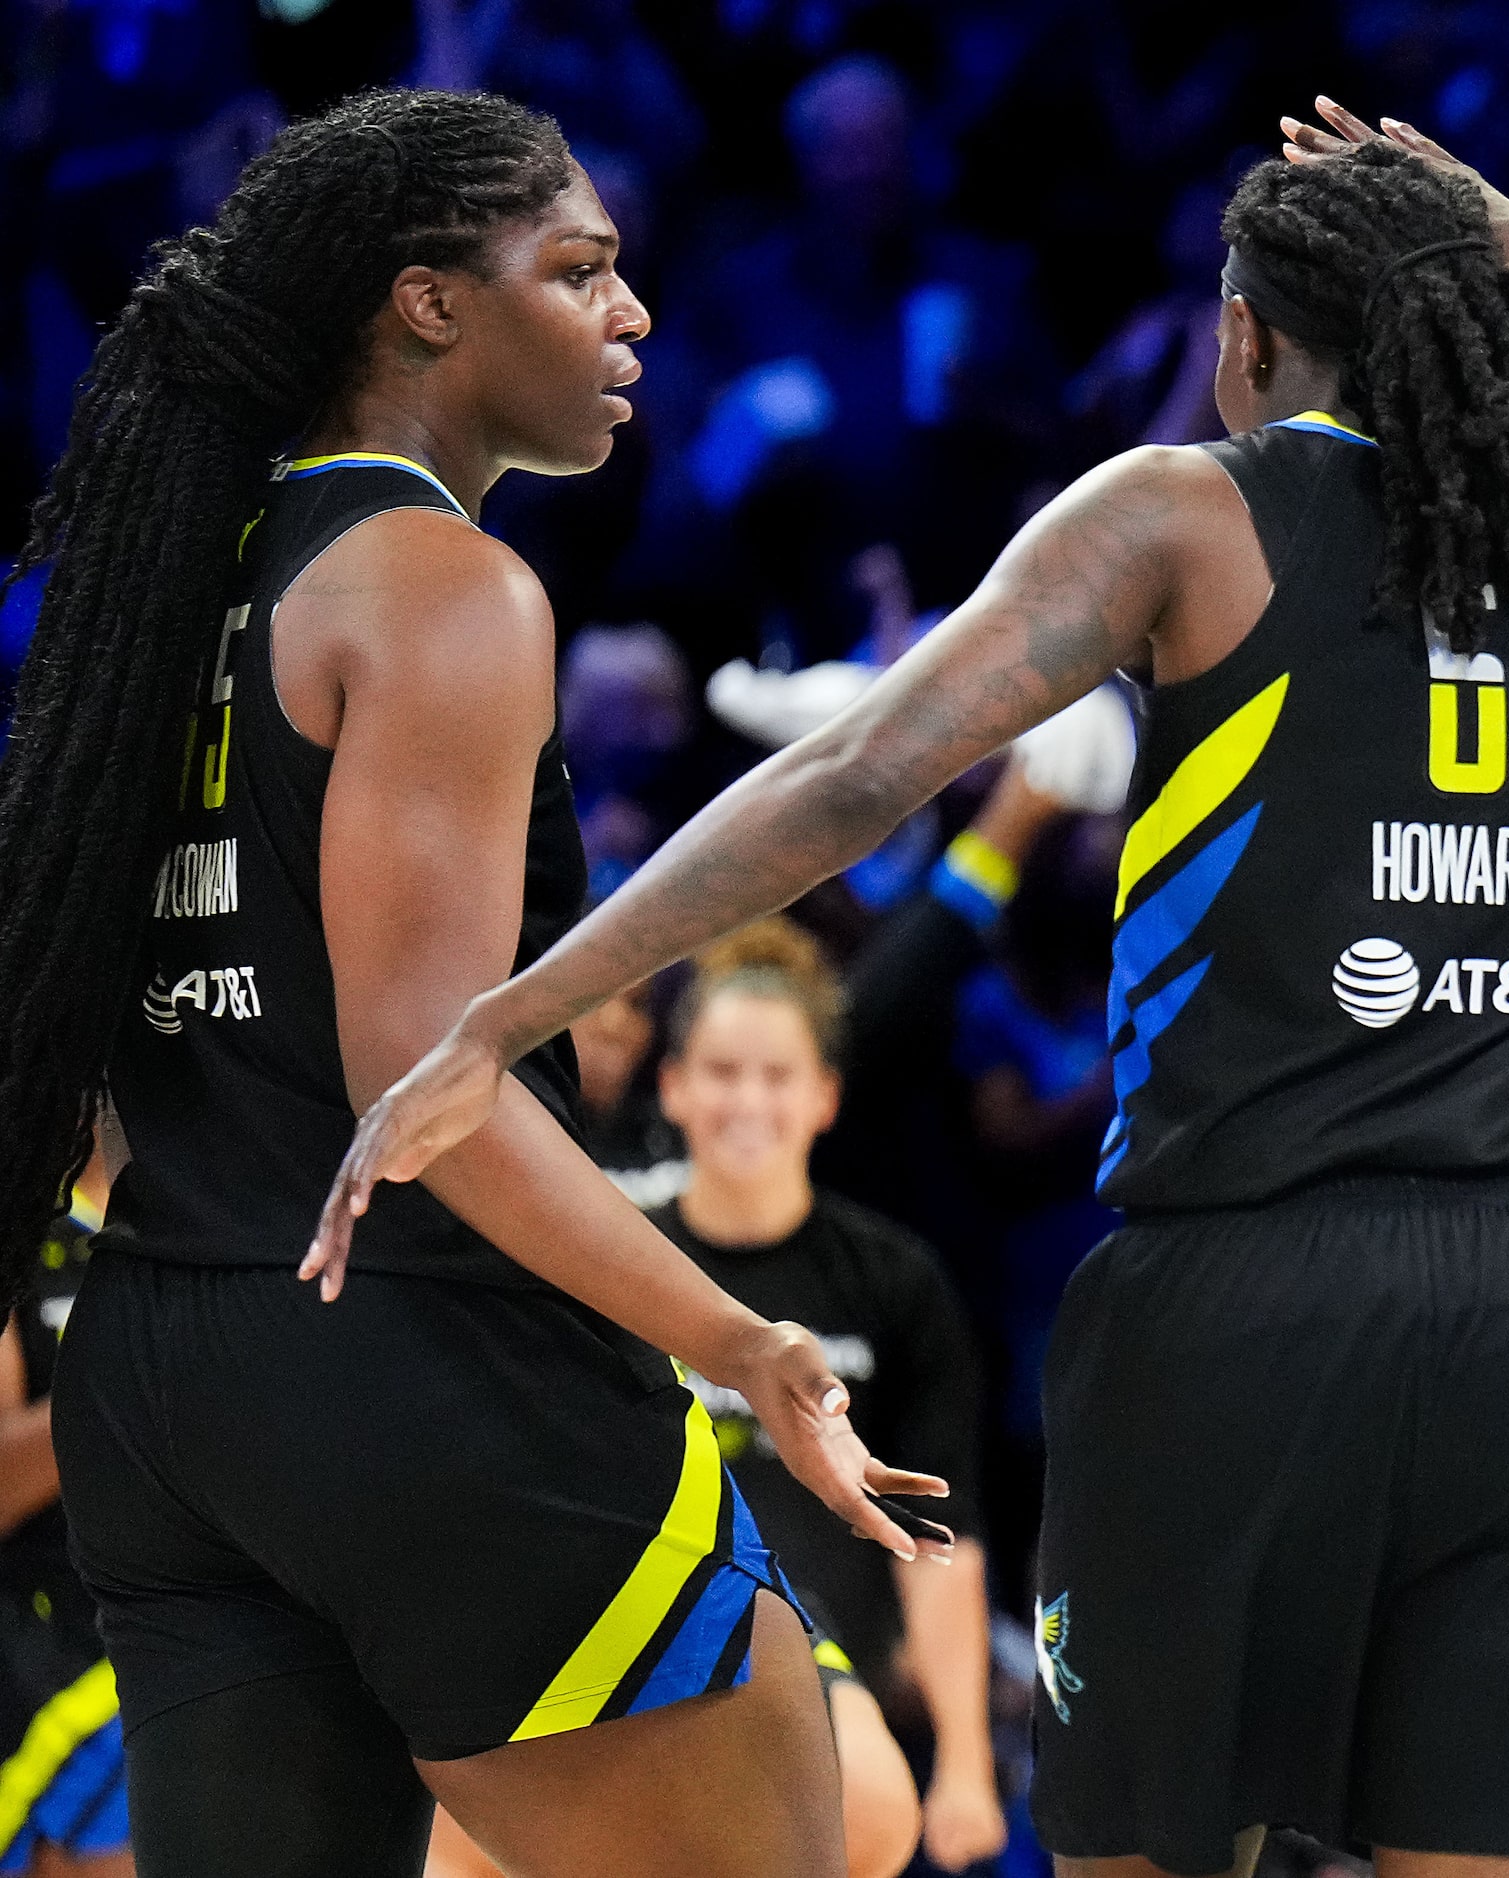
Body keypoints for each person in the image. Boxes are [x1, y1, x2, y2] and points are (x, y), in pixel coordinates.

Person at [316, 94, 1509, 1878]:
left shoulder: (1187, 510)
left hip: (1251, 1291)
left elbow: (846, 780)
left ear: (1241, 340)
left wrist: (507, 1013)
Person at [0, 90, 944, 1878]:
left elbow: (111, 1038)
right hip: (422, 1357)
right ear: (431, 305)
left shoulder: (162, 594)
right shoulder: (440, 585)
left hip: (169, 1370)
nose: (632, 314)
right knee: (841, 1822)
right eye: (579, 271)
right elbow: (419, 1084)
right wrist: (735, 1337)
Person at [646, 919, 1003, 1874]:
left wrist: (966, 1762)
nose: (748, 1100)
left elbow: (943, 1533)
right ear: (673, 1087)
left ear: (825, 1097)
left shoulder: (897, 1282)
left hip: (812, 1642)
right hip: (625, 1620)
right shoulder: (620, 1259)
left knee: (874, 1810)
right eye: (723, 1072)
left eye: (776, 1076)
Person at [0, 1144, 128, 1878]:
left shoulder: (209, 1193)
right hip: (63, 1661)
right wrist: (127, 1369)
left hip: (226, 1614)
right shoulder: (22, 1228)